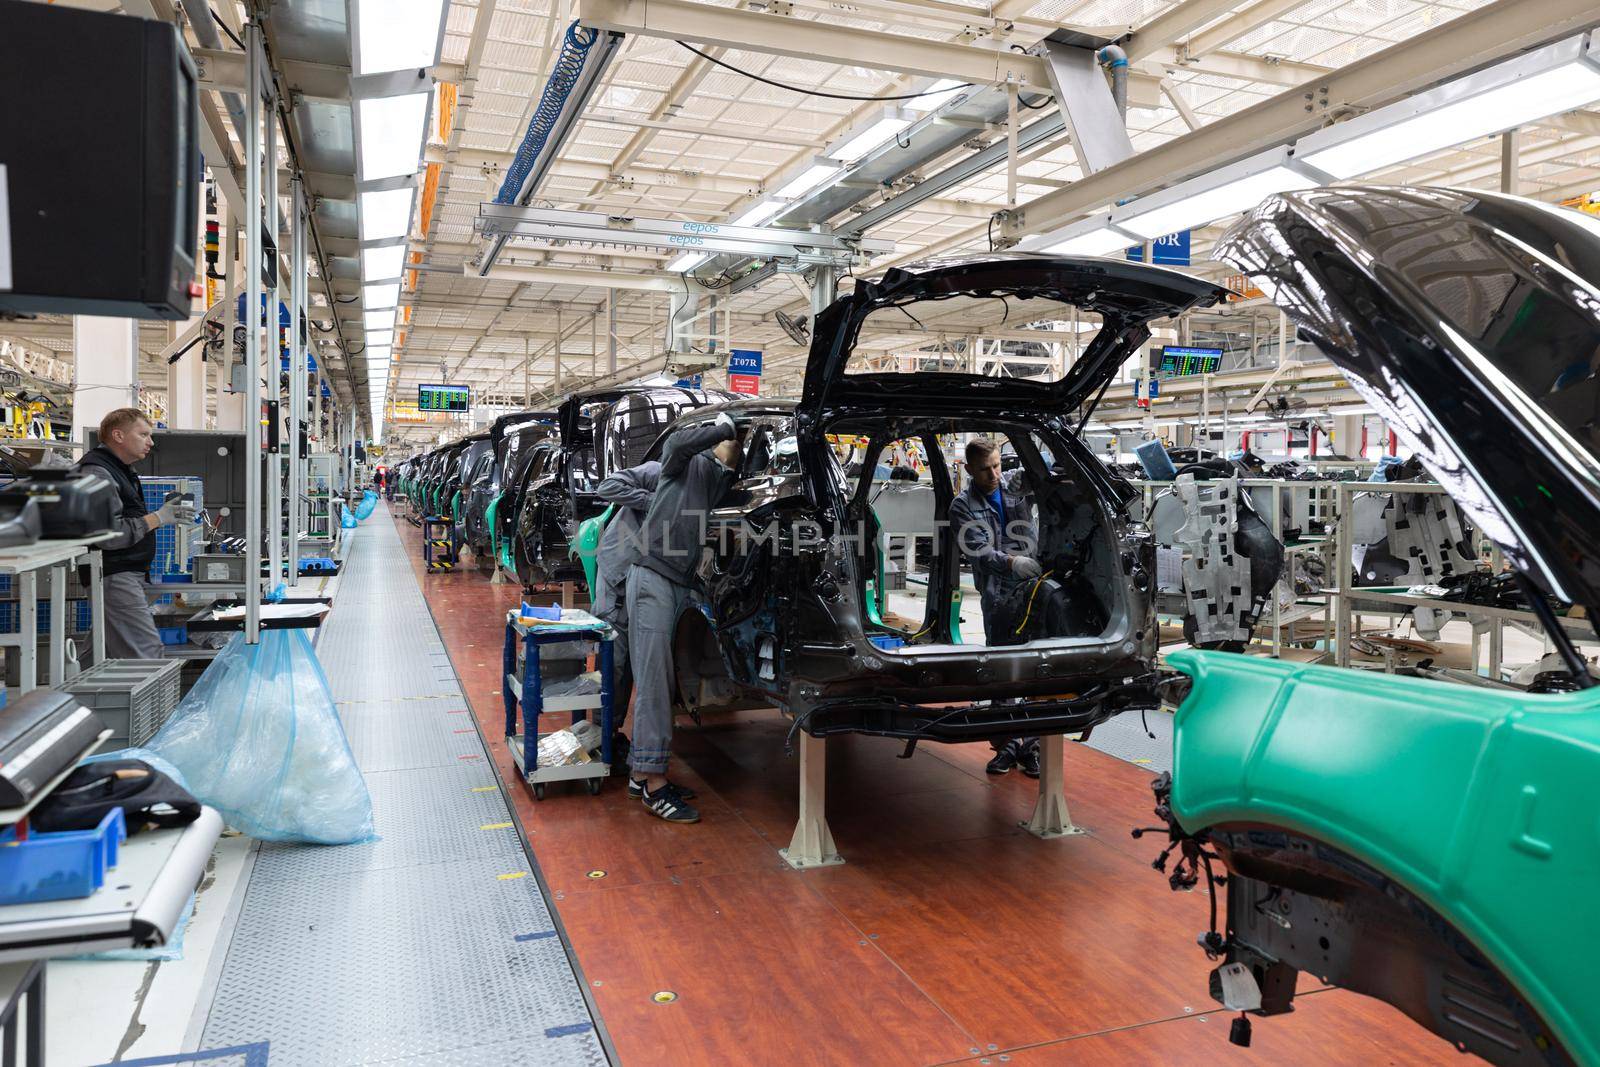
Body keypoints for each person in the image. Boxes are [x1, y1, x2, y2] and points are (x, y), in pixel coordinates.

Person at [625, 413, 740, 823]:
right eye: (733, 441)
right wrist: (727, 423)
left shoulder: (724, 478)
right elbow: (676, 443)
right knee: (655, 683)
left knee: (664, 681)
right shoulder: (684, 461)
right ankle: (654, 784)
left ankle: (642, 773)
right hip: (653, 576)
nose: (737, 448)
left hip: (679, 582)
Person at [948, 438, 1043, 778]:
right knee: (1003, 672)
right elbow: (977, 550)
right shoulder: (961, 506)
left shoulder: (1013, 484)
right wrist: (1013, 563)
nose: (993, 474)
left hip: (1034, 589)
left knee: (1036, 668)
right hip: (998, 592)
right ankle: (1005, 747)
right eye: (985, 469)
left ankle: (1031, 748)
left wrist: (1032, 474)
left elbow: (1049, 475)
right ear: (969, 469)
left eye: (997, 465)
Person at [75, 409, 196, 659]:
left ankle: (73, 697)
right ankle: (158, 699)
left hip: (125, 573)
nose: (150, 442)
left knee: (101, 651)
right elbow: (107, 535)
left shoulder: (121, 470)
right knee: (146, 652)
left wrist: (160, 518)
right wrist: (157, 518)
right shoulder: (97, 472)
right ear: (118, 435)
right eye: (143, 434)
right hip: (114, 574)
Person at [591, 457, 662, 765]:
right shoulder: (657, 471)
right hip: (618, 574)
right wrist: (654, 500)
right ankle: (601, 737)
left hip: (644, 576)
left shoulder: (697, 489)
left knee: (635, 662)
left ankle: (612, 734)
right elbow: (607, 486)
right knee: (615, 662)